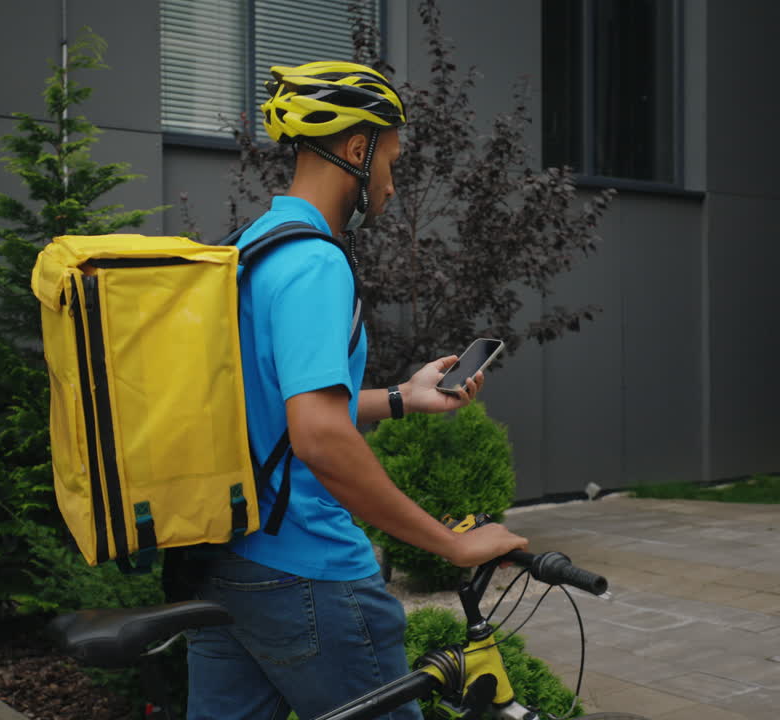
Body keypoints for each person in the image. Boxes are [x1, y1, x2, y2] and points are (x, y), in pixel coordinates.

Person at [185, 61, 529, 720]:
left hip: (228, 564)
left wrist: (401, 396)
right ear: (355, 148)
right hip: (309, 572)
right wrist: (451, 544)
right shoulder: (316, 262)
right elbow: (318, 437)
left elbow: (271, 405)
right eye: (390, 162)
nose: (391, 184)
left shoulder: (251, 248)